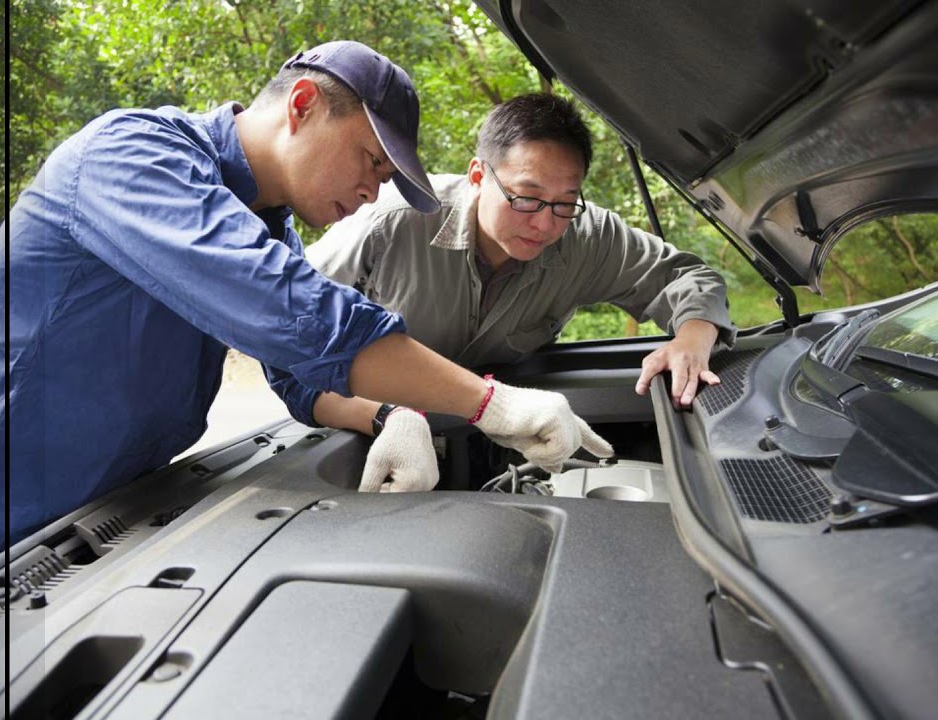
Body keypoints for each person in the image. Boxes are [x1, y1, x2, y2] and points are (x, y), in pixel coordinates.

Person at [0, 43, 612, 581]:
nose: (373, 189)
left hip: (105, 525)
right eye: (372, 160)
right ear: (302, 104)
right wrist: (495, 406)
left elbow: (300, 375)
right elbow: (304, 320)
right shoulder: (133, 156)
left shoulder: (265, 226)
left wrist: (390, 416)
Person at [299, 93, 736, 494]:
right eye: (526, 198)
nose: (545, 225)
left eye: (565, 203)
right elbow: (290, 345)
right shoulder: (390, 222)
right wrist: (387, 414)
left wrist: (693, 339)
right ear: (477, 176)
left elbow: (689, 277)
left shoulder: (587, 238)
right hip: (368, 437)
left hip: (490, 441)